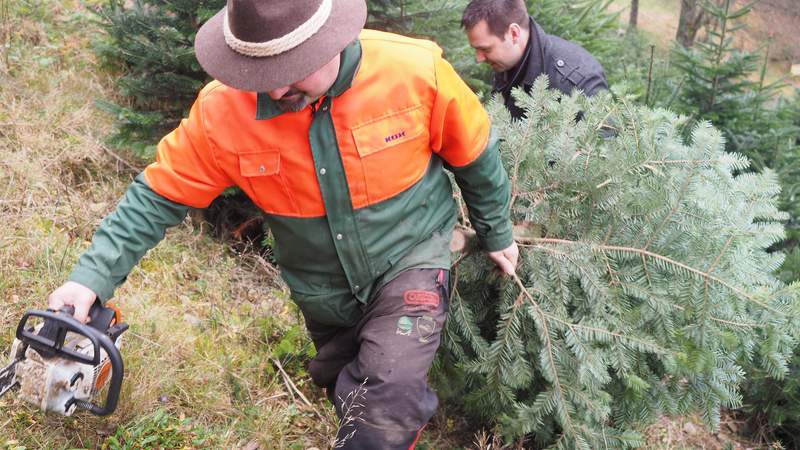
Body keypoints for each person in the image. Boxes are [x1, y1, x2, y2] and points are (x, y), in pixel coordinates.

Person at [46, 0, 518, 448]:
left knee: (387, 390)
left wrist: (496, 233)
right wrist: (88, 281)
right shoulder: (222, 112)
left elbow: (475, 157)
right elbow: (156, 198)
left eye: (290, 71)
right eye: (260, 75)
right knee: (351, 394)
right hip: (323, 292)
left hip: (413, 257)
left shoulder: (415, 71)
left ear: (332, 40)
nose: (274, 90)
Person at [462, 0, 609, 119]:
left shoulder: (579, 81)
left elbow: (604, 146)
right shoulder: (508, 60)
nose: (479, 58)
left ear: (514, 33)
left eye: (486, 49)